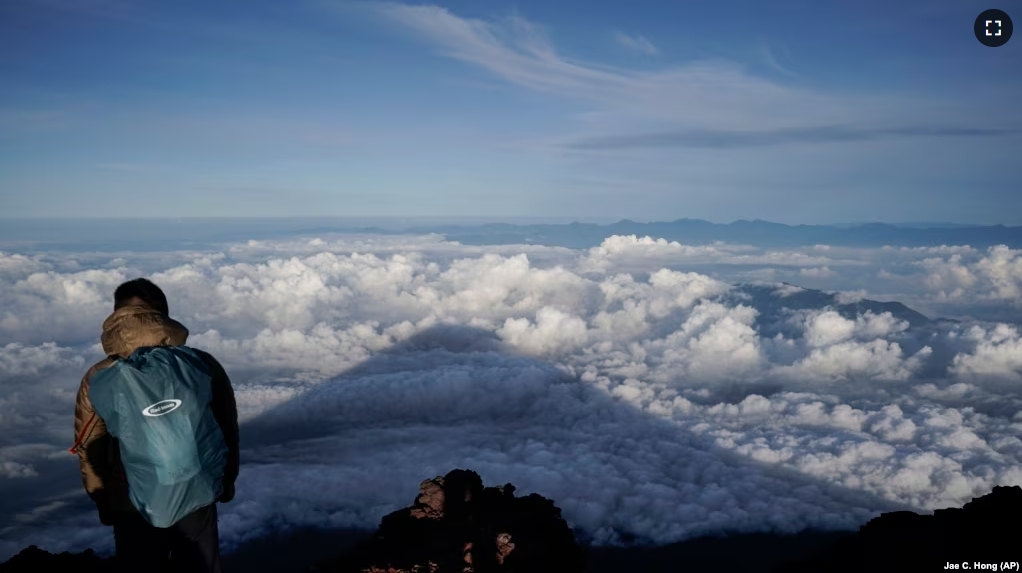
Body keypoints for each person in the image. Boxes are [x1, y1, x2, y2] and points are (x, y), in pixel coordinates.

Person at [70, 278, 240, 573]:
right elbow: (226, 427)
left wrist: (104, 501)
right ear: (162, 314)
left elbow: (89, 446)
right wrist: (225, 482)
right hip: (197, 490)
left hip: (131, 501)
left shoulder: (100, 376)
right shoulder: (200, 363)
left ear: (117, 314)